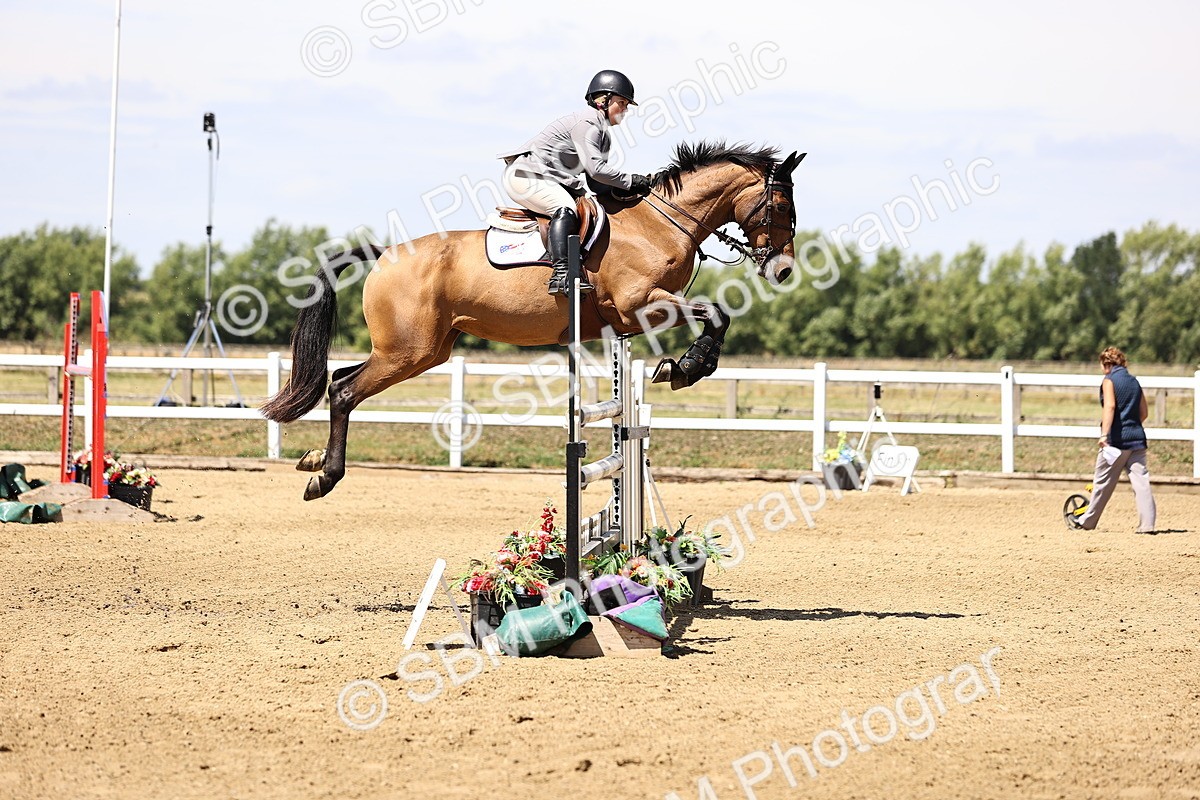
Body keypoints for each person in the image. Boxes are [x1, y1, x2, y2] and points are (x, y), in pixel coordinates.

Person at [498, 69, 654, 296]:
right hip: (525, 177)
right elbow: (597, 170)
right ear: (603, 100)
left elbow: (596, 184)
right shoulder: (588, 123)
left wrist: (636, 190)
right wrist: (631, 180)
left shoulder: (603, 133)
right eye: (622, 103)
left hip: (545, 178)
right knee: (566, 208)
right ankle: (561, 275)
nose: (625, 110)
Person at [1071, 347, 1157, 533]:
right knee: (1141, 482)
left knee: (1102, 482)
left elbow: (1109, 406)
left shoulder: (1109, 380)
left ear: (1107, 364)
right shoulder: (1134, 381)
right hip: (1137, 439)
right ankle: (1147, 525)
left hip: (1116, 441)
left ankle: (1087, 521)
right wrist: (1131, 426)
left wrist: (1105, 434)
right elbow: (1144, 413)